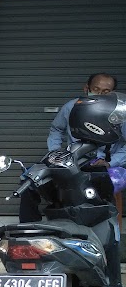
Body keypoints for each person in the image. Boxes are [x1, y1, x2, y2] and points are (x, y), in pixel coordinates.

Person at [20, 73, 122, 222]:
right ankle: (29, 227)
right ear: (86, 88)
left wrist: (111, 162)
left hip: (103, 164)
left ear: (112, 93)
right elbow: (56, 129)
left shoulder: (118, 114)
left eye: (106, 91)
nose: (100, 94)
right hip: (73, 161)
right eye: (96, 89)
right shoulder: (72, 106)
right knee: (30, 180)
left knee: (103, 188)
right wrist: (55, 153)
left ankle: (106, 232)